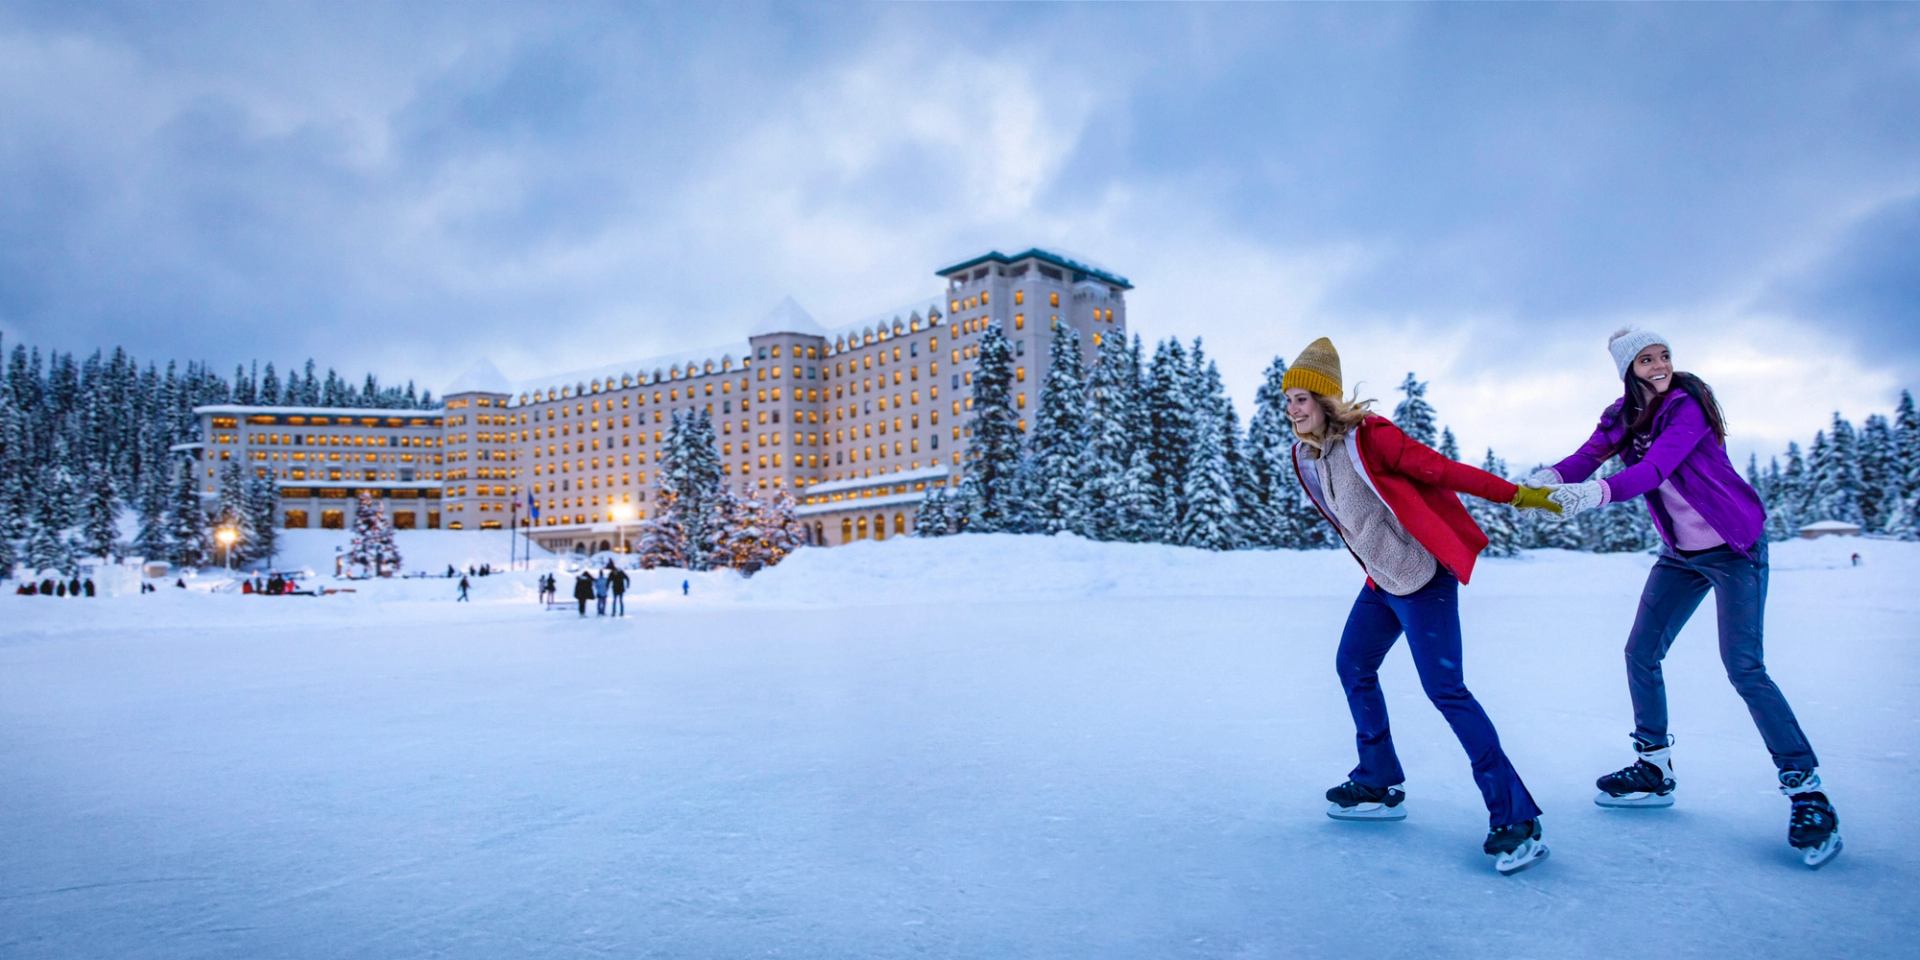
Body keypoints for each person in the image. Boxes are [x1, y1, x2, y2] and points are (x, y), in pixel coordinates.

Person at [1537, 328, 1841, 868]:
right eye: (1646, 359)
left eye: (1664, 355)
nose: (1659, 366)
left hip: (1735, 546)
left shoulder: (1687, 405)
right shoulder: (1622, 415)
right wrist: (1545, 481)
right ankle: (1654, 767)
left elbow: (1656, 469)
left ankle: (1806, 789)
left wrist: (1598, 493)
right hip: (1681, 555)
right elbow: (1588, 456)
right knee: (1640, 653)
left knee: (1744, 668)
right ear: (1628, 369)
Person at [1283, 337, 1560, 874]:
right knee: (1353, 666)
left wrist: (1519, 495)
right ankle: (1378, 779)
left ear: (1327, 401)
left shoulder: (1370, 438)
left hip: (1422, 577)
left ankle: (1517, 817)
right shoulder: (1309, 455)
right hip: (1382, 582)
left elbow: (1442, 470)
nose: (1292, 409)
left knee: (1446, 691)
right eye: (1288, 399)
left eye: (1302, 398)